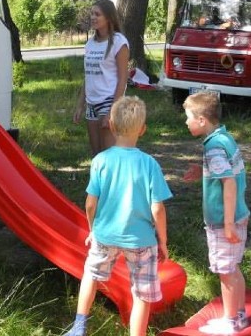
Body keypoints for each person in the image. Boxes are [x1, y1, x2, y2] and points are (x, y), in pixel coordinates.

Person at [63, 96, 171, 336]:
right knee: (142, 293)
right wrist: (162, 240)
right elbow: (158, 209)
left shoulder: (100, 161)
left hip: (105, 234)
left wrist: (93, 229)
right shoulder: (150, 164)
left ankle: (79, 327)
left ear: (110, 125)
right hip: (141, 239)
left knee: (91, 275)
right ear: (142, 130)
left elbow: (91, 203)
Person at [182, 90, 250, 335]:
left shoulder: (213, 147)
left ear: (202, 120)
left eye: (188, 117)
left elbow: (229, 183)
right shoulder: (224, 138)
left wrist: (228, 223)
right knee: (233, 268)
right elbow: (228, 171)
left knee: (225, 271)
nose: (186, 121)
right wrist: (202, 169)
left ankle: (230, 322)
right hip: (237, 214)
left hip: (224, 220)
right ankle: (239, 316)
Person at [73, 0, 130, 156]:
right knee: (97, 157)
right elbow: (88, 76)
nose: (93, 17)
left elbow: (123, 78)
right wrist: (80, 105)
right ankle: (99, 181)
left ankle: (112, 181)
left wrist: (112, 110)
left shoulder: (119, 42)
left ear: (109, 18)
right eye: (91, 14)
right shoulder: (90, 44)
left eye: (97, 14)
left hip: (108, 101)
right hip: (92, 104)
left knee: (109, 156)